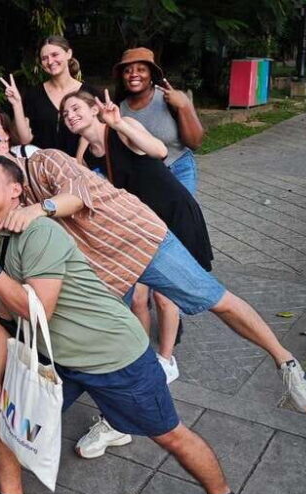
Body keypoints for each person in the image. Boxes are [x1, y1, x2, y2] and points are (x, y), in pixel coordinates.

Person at [0, 133, 306, 456]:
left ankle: (285, 362)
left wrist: (40, 208)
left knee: (213, 298)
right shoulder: (5, 200)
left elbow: (78, 194)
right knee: (111, 337)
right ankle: (116, 422)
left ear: (3, 146)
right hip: (99, 266)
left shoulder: (44, 161)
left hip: (137, 240)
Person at [0, 155, 241, 494]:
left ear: (16, 190)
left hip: (114, 356)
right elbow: (2, 318)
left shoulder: (39, 233)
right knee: (2, 417)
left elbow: (37, 310)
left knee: (168, 435)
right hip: (59, 360)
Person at [61, 88, 215, 384]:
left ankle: (167, 360)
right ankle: (142, 356)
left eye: (76, 108)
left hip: (172, 213)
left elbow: (159, 151)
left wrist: (118, 123)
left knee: (165, 294)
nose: (70, 116)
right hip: (142, 225)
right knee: (138, 298)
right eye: (66, 113)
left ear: (95, 109)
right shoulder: (88, 153)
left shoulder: (124, 127)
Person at [113, 47, 204, 195]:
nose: (133, 74)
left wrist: (184, 106)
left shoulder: (169, 98)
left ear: (151, 74)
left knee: (184, 216)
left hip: (179, 168)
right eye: (127, 71)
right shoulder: (118, 109)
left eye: (141, 69)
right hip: (146, 175)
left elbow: (195, 143)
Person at [1, 36, 101, 157]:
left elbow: (102, 132)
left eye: (55, 55)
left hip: (83, 167)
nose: (50, 61)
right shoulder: (33, 95)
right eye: (44, 58)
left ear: (68, 53)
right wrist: (17, 103)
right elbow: (24, 140)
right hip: (43, 167)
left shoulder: (91, 93)